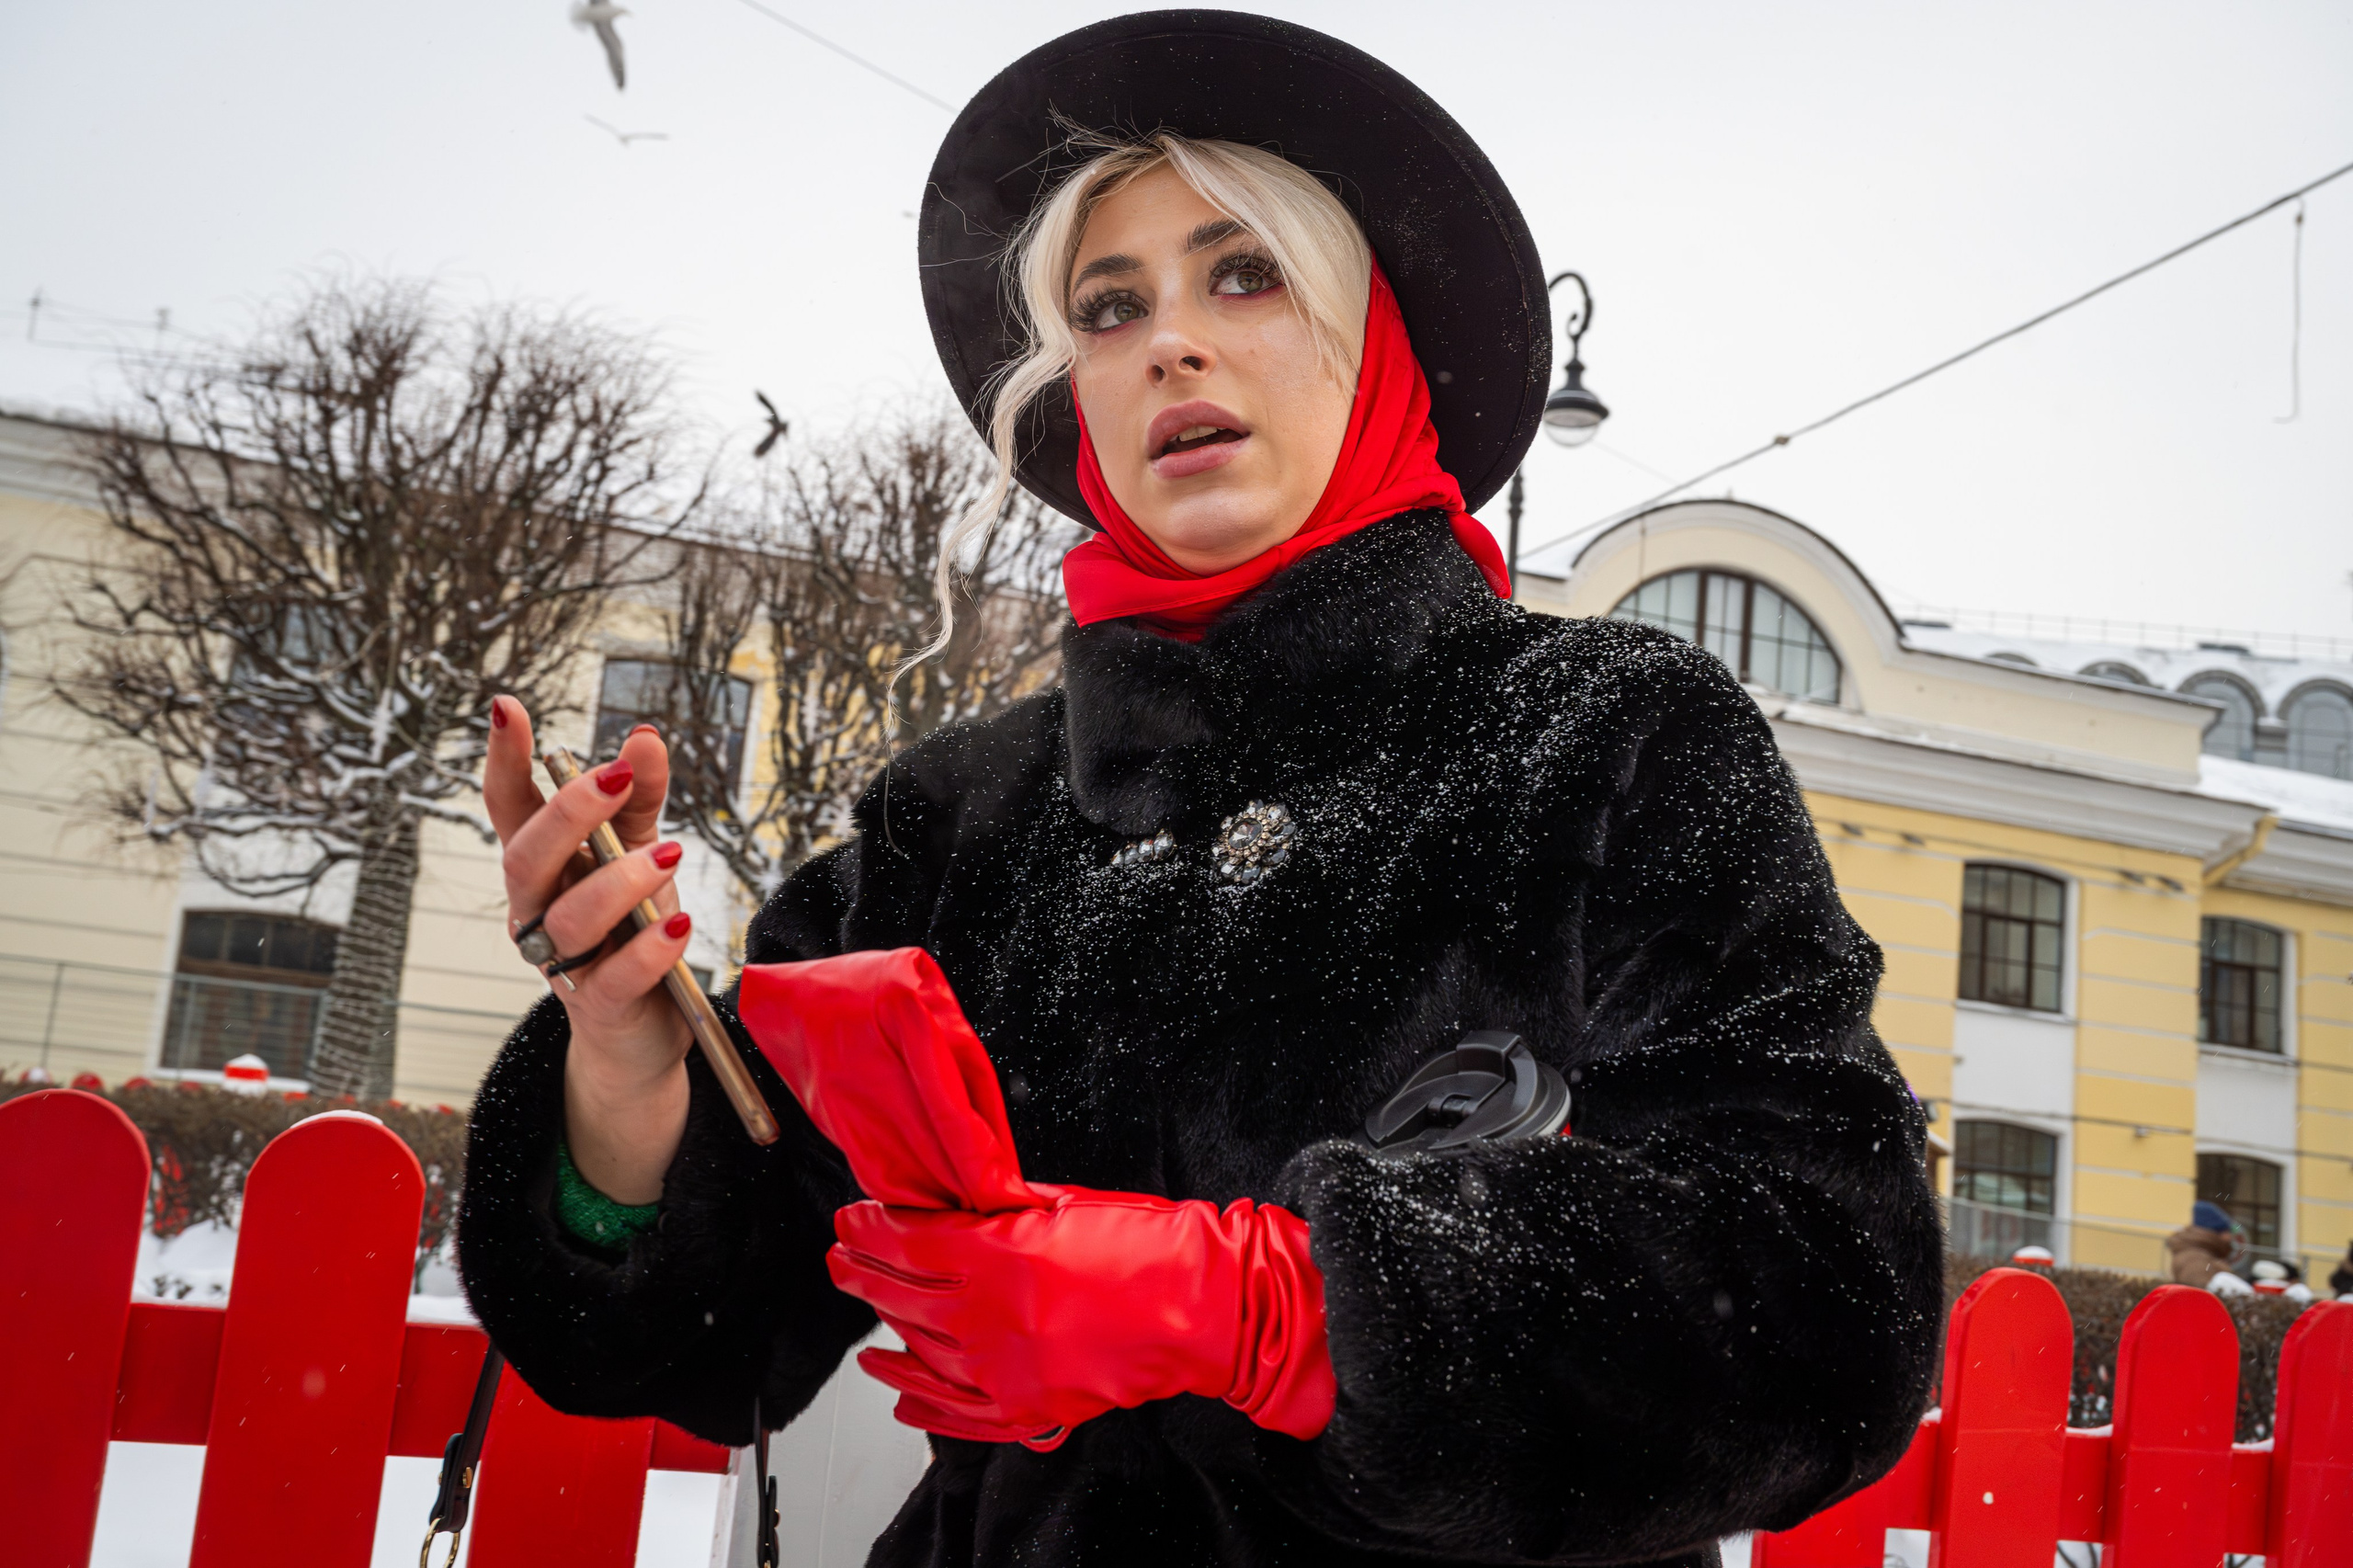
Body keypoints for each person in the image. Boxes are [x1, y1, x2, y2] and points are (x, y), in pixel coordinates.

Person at [456, 14, 1942, 1565]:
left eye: (1244, 274)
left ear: (1377, 347)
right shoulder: (955, 821)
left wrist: (1267, 1306)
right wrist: (626, 1058)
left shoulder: (1612, 738)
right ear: (1075, 394)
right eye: (1112, 304)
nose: (1172, 338)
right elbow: (709, 1331)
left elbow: (1823, 1301)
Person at [2169, 1199, 2250, 1292]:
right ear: (2219, 1232)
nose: (2231, 1237)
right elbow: (2200, 1297)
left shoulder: (2199, 1255)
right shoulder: (2196, 1260)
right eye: (2228, 1231)